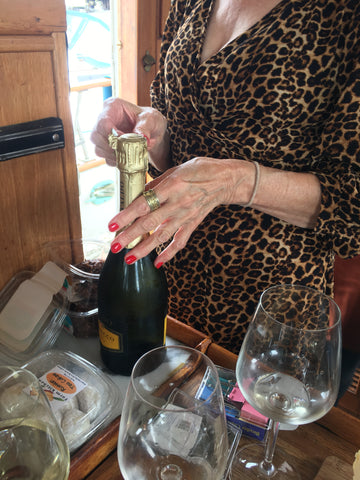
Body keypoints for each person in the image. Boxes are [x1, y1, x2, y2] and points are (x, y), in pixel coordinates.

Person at [91, 0, 360, 354]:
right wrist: (150, 130)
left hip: (270, 298)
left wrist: (233, 180)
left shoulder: (345, 14)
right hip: (173, 269)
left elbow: (352, 205)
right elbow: (181, 144)